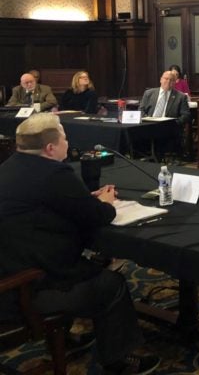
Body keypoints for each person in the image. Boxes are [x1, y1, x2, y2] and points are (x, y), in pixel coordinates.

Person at [0, 114, 159, 375]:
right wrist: (106, 203)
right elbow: (97, 216)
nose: (68, 141)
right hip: (25, 291)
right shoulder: (53, 173)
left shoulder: (9, 167)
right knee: (111, 283)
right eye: (64, 137)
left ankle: (67, 338)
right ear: (50, 148)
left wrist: (86, 200)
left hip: (11, 266)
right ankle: (118, 360)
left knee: (89, 264)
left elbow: (48, 205)